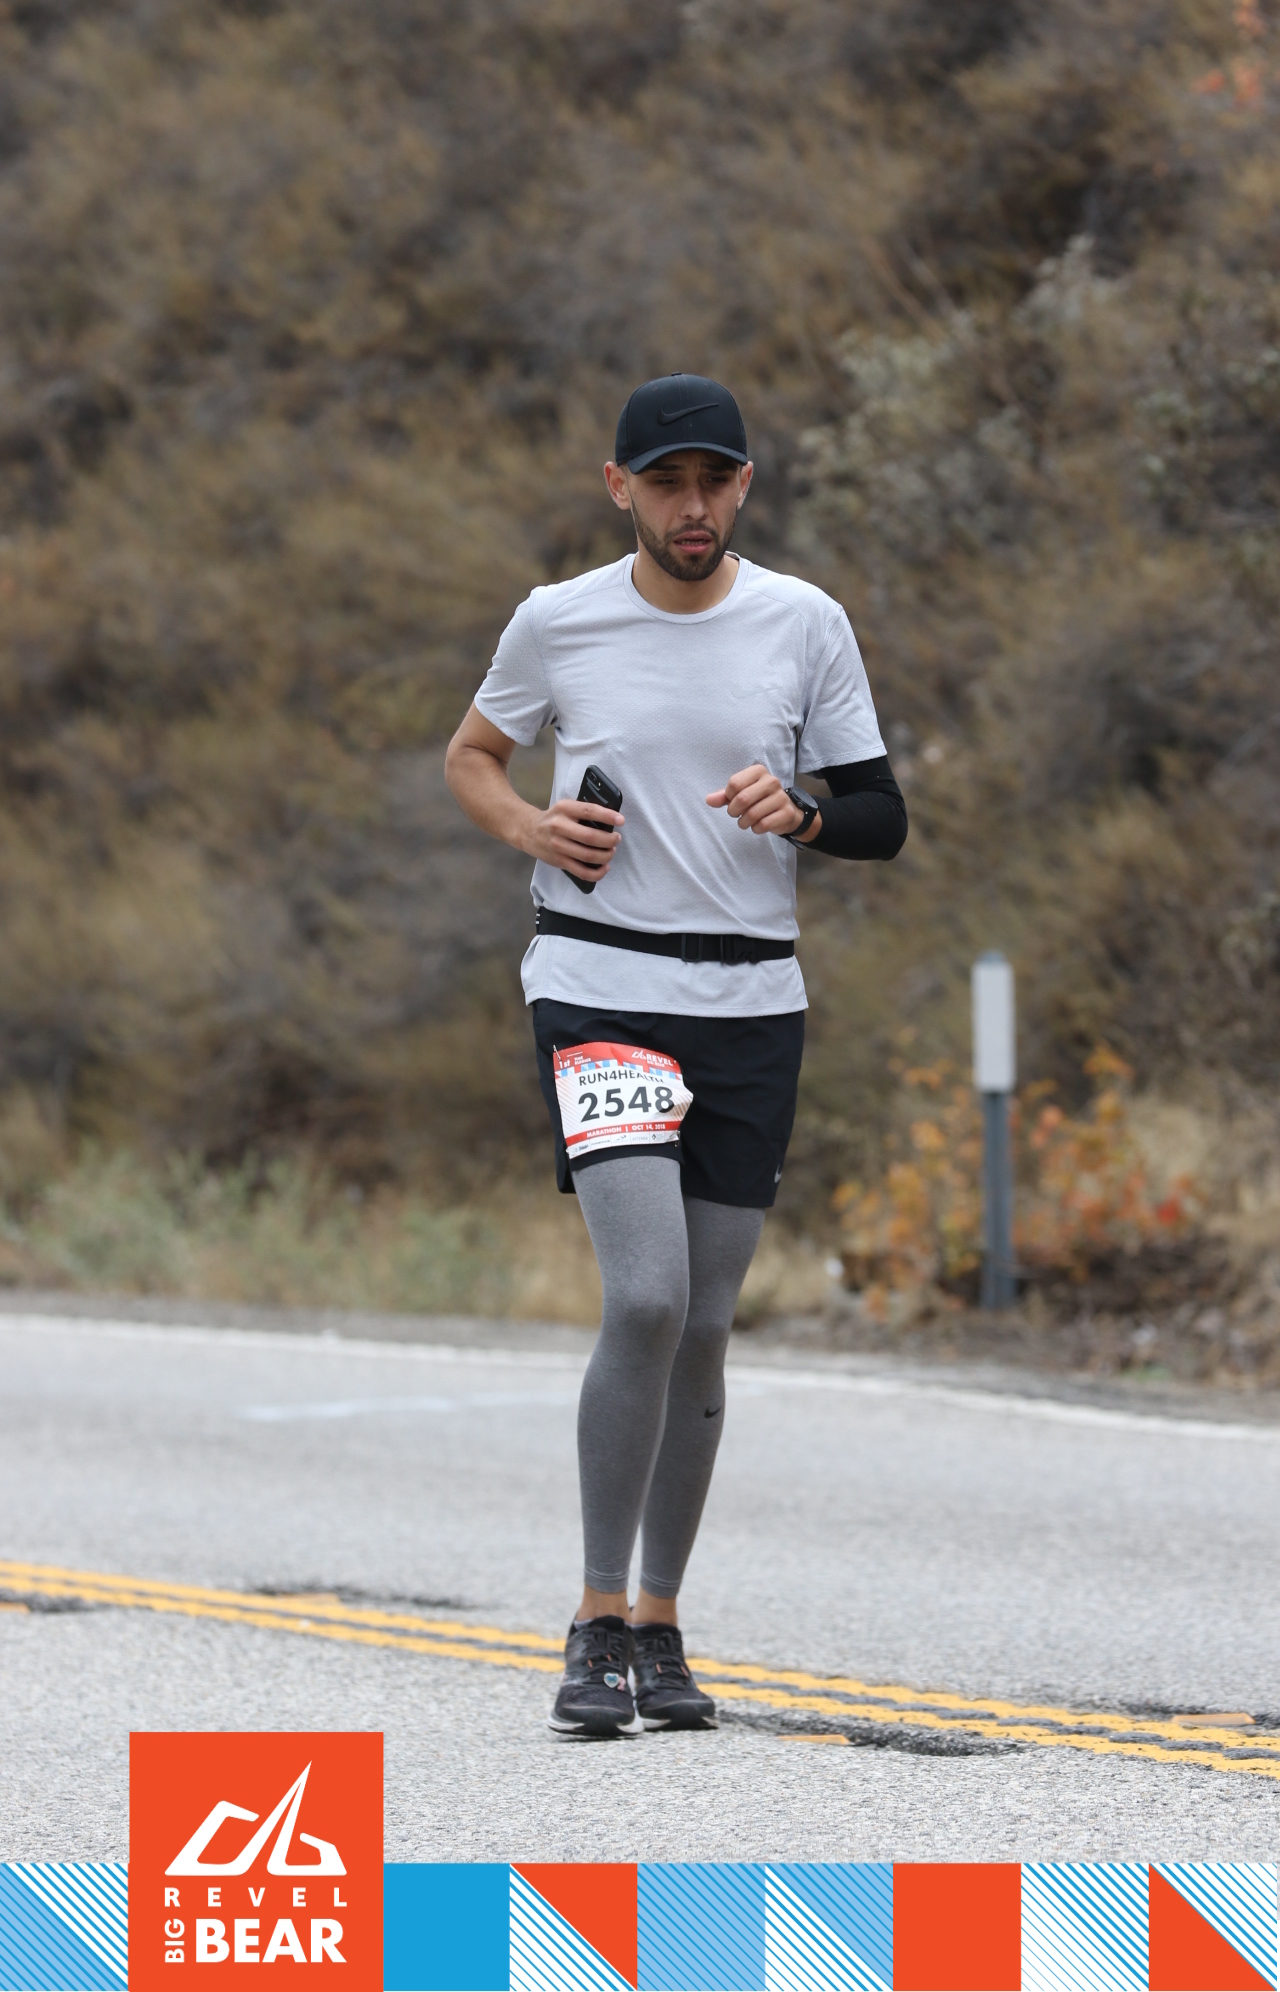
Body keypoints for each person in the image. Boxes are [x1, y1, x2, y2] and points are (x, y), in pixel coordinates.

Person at [444, 373, 906, 1737]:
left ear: (744, 486)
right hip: (600, 987)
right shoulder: (560, 619)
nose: (691, 507)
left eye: (714, 481)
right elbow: (471, 756)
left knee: (704, 1324)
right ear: (620, 489)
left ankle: (660, 1623)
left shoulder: (805, 622)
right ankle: (594, 1621)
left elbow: (881, 815)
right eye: (666, 484)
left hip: (753, 1003)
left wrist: (803, 812)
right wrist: (530, 828)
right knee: (646, 1297)